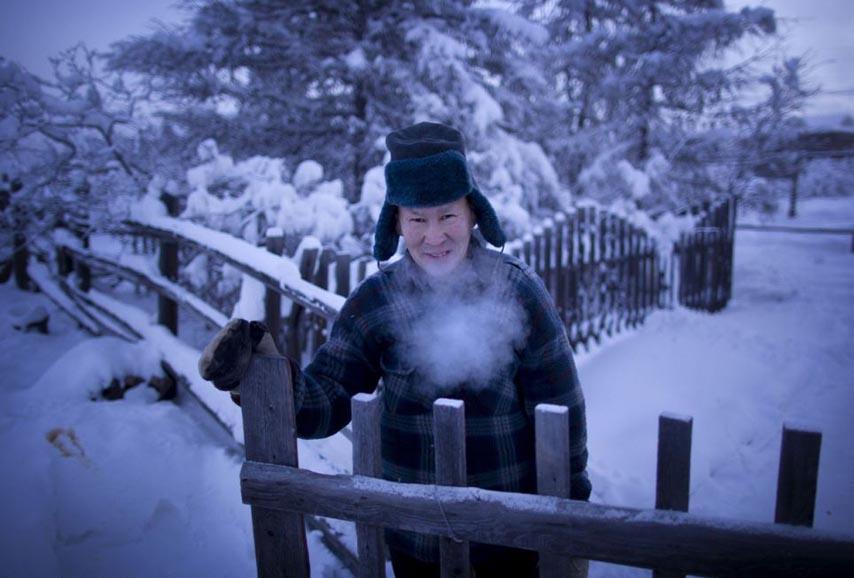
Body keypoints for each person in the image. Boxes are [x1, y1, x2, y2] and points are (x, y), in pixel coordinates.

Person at [199, 122, 591, 577]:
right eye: (417, 219)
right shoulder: (375, 302)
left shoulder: (518, 293)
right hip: (413, 540)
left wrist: (570, 526)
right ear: (397, 223)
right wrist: (260, 373)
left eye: (447, 216)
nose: (434, 236)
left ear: (472, 213)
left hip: (509, 541)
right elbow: (326, 401)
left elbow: (562, 414)